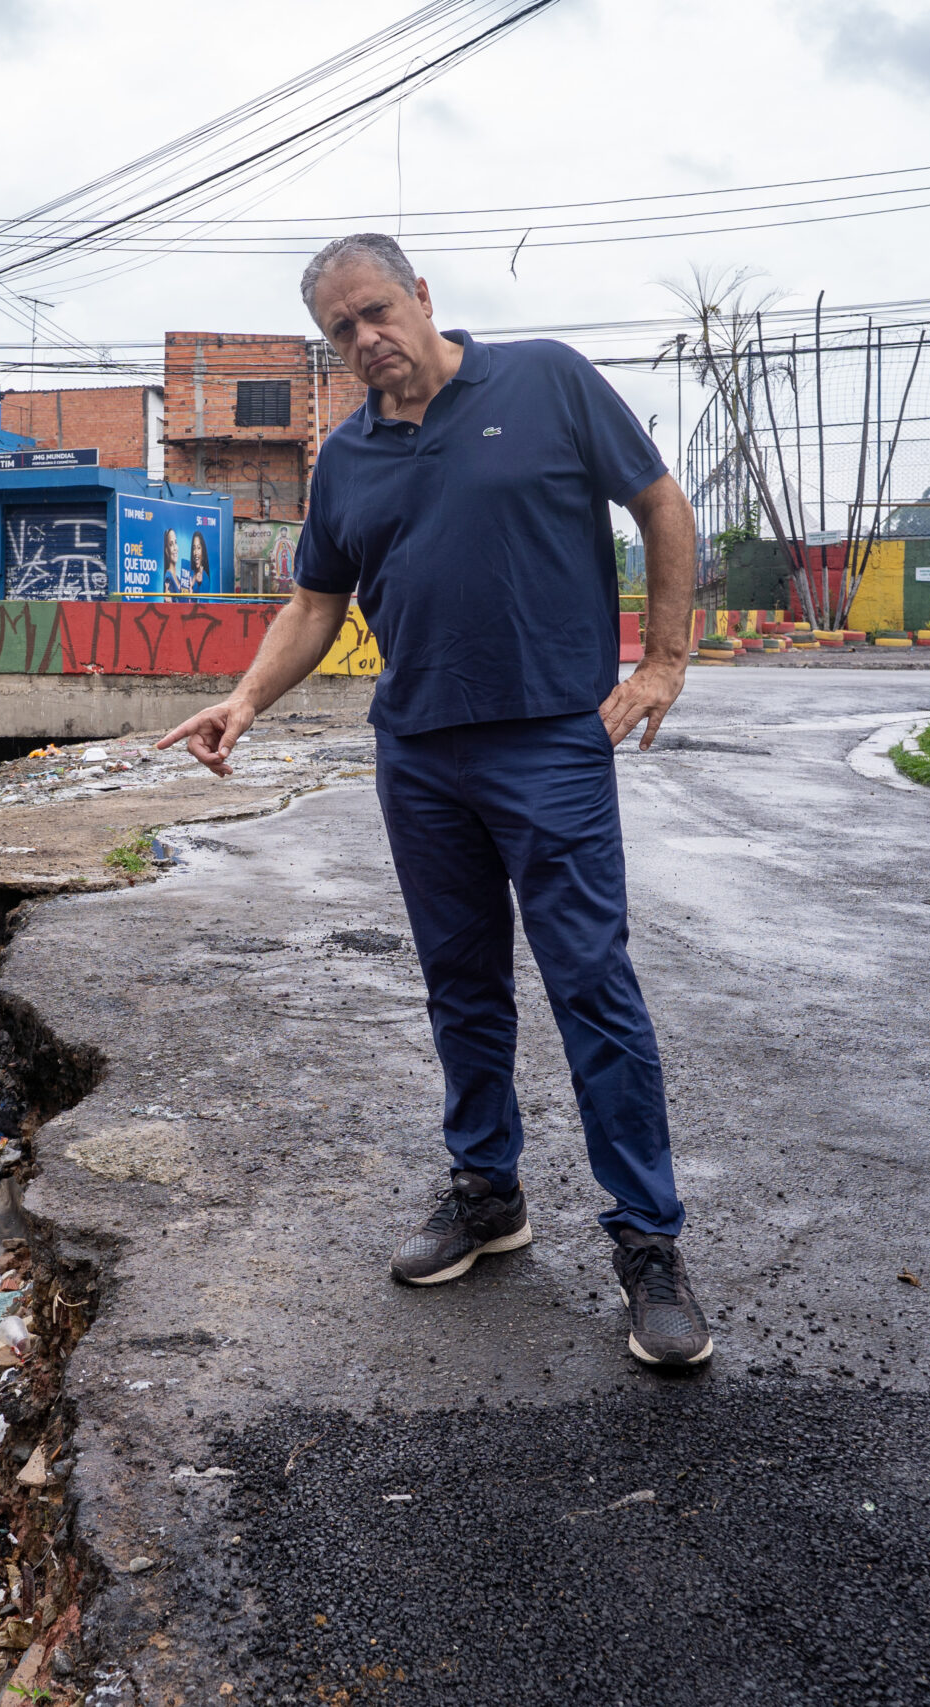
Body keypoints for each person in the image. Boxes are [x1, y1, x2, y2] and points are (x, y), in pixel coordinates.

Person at [158, 233, 712, 1369]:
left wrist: (663, 662)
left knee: (591, 986)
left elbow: (660, 504)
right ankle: (487, 1193)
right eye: (340, 331)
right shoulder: (347, 458)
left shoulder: (546, 380)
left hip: (549, 741)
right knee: (460, 987)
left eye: (376, 311)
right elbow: (315, 603)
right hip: (417, 753)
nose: (366, 339)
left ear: (420, 294)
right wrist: (245, 700)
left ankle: (648, 1243)